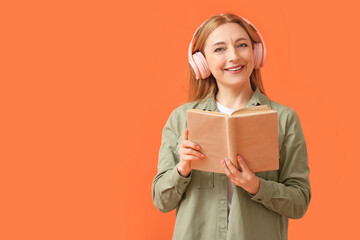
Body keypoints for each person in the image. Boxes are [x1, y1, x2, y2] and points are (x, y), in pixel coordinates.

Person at [152, 13, 311, 240]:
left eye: (242, 45)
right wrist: (182, 170)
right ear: (202, 62)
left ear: (256, 53)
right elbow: (161, 201)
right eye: (219, 49)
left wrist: (257, 186)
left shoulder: (284, 119)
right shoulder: (180, 119)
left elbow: (299, 202)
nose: (234, 57)